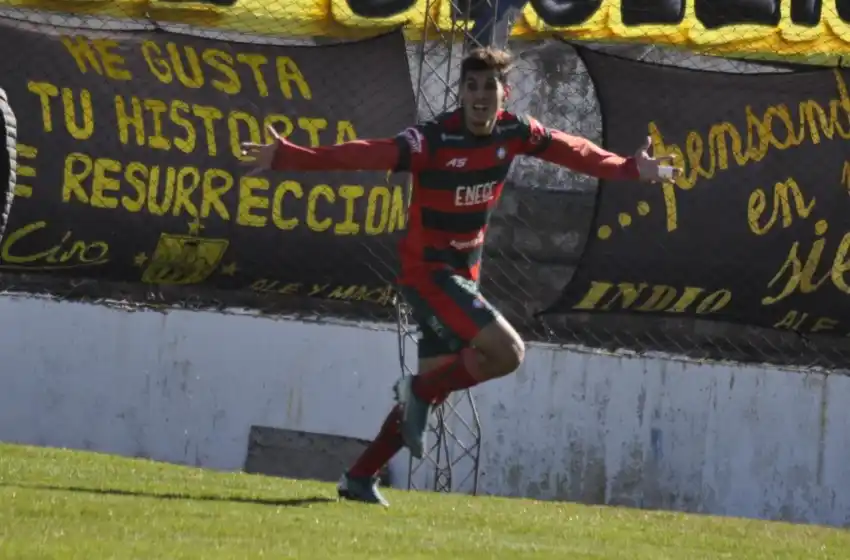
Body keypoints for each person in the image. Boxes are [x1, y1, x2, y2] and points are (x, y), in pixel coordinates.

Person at [240, 47, 682, 507]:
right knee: (508, 352)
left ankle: (359, 476)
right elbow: (371, 153)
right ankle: (416, 394)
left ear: (503, 94)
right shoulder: (433, 139)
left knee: (433, 389)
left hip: (462, 276)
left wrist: (629, 168)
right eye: (471, 86)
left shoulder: (515, 131)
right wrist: (292, 158)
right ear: (460, 93)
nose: (479, 95)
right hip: (428, 274)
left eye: (489, 86)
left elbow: (574, 150)